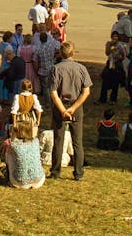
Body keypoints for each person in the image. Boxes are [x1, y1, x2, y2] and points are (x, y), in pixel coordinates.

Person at [49, 41, 92, 181]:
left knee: (58, 139)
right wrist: (73, 108)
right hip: (76, 105)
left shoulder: (56, 69)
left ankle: (55, 171)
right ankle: (78, 172)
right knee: (77, 141)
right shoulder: (81, 69)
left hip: (60, 105)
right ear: (73, 52)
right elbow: (86, 91)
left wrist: (63, 110)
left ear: (61, 53)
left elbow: (53, 92)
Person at [3, 117, 44, 189]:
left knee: (9, 155)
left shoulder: (14, 145)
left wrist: (12, 136)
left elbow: (6, 160)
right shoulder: (36, 141)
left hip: (19, 183)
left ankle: (10, 177)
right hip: (38, 180)